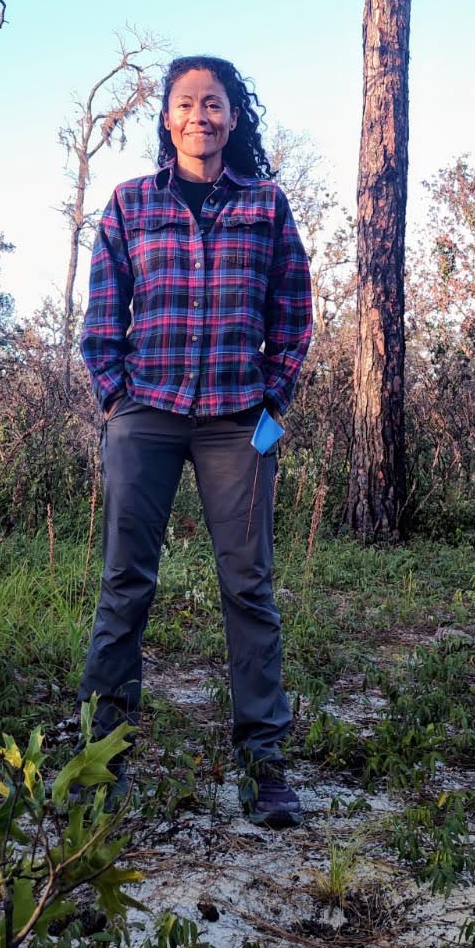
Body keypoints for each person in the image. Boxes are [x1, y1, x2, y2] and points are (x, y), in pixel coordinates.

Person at [78, 56, 313, 828]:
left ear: (234, 118)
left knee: (249, 586)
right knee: (125, 583)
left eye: (215, 103)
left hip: (238, 419)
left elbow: (293, 313)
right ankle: (100, 757)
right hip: (144, 412)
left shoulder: (266, 206)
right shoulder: (129, 204)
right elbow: (102, 317)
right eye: (186, 103)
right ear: (167, 118)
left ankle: (263, 762)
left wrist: (273, 403)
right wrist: (115, 400)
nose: (200, 115)